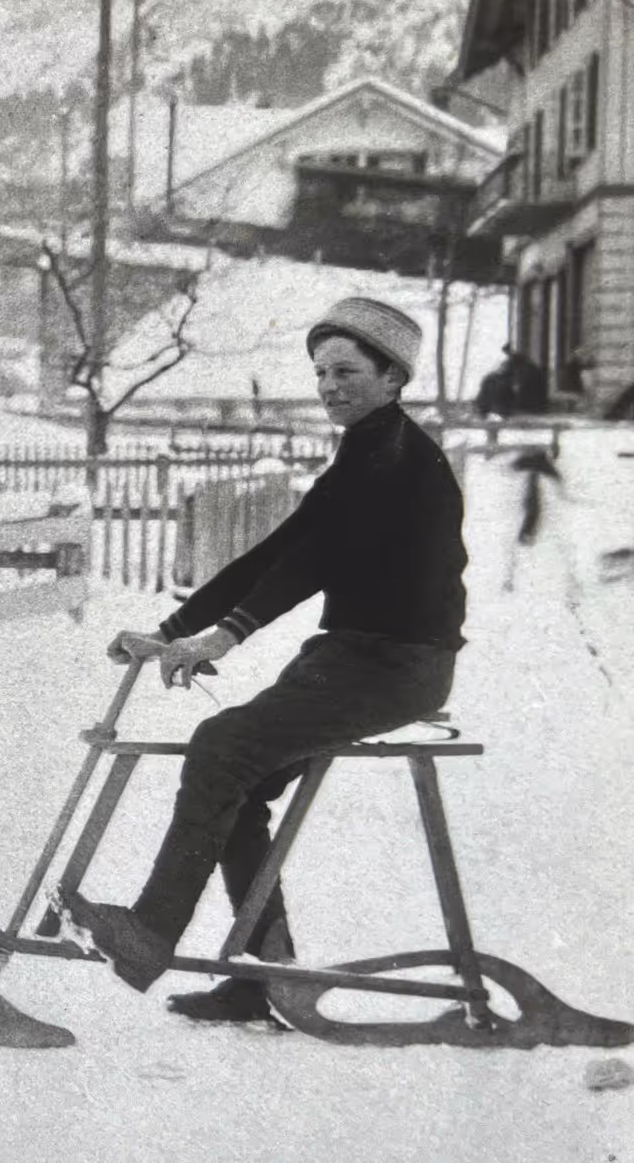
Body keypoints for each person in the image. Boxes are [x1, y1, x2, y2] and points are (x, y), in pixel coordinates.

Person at [63, 297, 468, 1024]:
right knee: (238, 776)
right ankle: (264, 973)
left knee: (223, 746)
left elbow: (314, 559)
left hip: (398, 664)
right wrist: (173, 626)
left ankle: (151, 930)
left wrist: (223, 636)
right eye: (319, 371)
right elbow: (277, 550)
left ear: (392, 377)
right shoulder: (364, 452)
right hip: (351, 658)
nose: (328, 385)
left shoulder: (398, 459)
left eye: (346, 370)